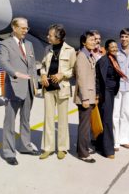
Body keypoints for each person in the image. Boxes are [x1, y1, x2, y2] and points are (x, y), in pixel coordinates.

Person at [0, 17, 39, 165]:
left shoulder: (29, 44)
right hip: (13, 88)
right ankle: (9, 152)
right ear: (14, 28)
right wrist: (15, 73)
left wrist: (35, 84)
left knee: (26, 120)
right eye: (22, 28)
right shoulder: (5, 44)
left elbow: (32, 66)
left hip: (28, 88)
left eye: (26, 28)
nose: (25, 31)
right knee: (10, 122)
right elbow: (3, 62)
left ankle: (25, 146)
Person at [39, 24, 76, 160]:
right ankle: (48, 148)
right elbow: (43, 65)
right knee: (48, 119)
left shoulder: (70, 50)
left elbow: (73, 69)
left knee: (62, 119)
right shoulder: (47, 49)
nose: (47, 37)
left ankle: (62, 148)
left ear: (58, 38)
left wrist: (62, 74)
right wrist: (43, 75)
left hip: (62, 87)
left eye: (50, 35)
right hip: (48, 87)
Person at [96, 39, 122, 159]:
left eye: (116, 47)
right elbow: (98, 79)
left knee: (106, 118)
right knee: (107, 120)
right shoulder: (104, 61)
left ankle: (100, 145)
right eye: (112, 47)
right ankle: (108, 150)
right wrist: (98, 95)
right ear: (106, 49)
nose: (115, 49)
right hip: (105, 93)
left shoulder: (113, 59)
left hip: (111, 92)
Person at [74, 31, 97, 163]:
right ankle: (83, 153)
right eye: (91, 40)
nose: (94, 42)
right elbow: (81, 79)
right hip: (85, 97)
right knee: (84, 126)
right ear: (84, 42)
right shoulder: (82, 56)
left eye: (95, 40)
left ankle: (82, 148)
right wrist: (85, 98)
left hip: (89, 95)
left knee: (85, 125)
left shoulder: (90, 55)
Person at [113, 28, 129, 151]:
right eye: (122, 36)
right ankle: (115, 141)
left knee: (126, 113)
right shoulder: (116, 52)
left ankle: (125, 139)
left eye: (126, 37)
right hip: (117, 87)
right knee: (115, 114)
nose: (124, 39)